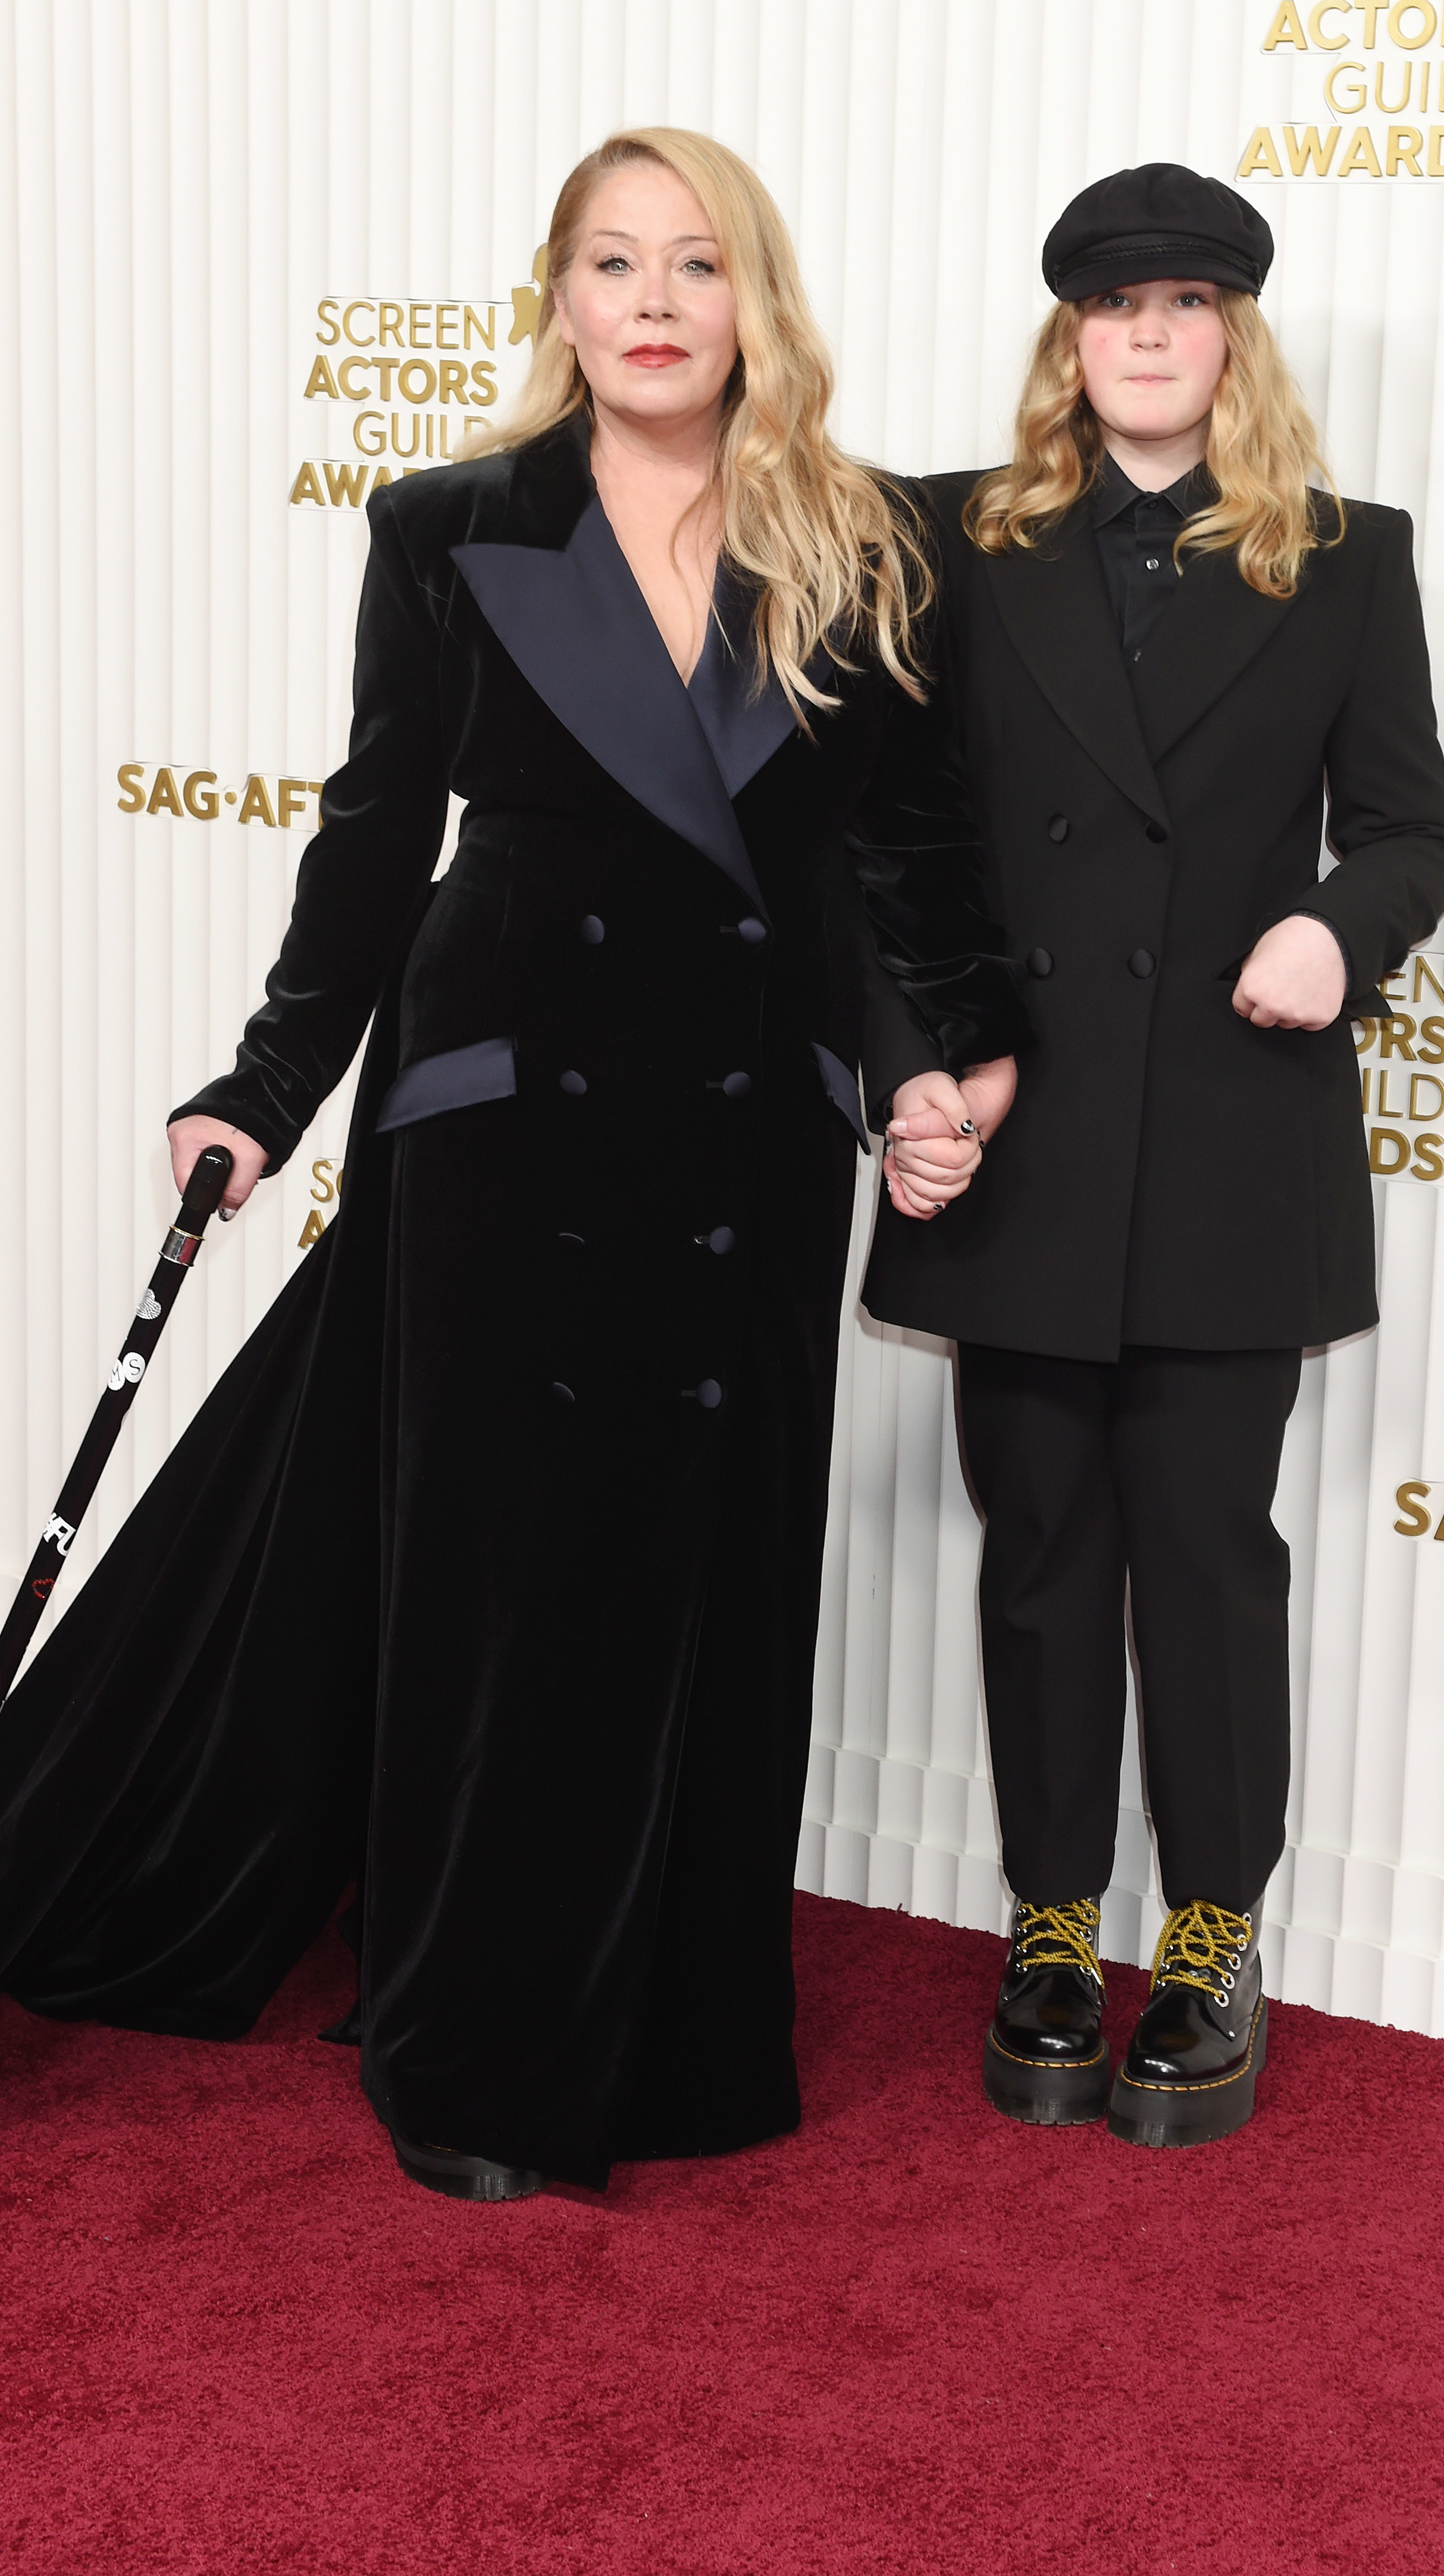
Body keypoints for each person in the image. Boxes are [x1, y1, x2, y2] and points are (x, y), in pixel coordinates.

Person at [0, 128, 1021, 2200]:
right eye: (612, 262)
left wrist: (966, 1064)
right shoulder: (451, 525)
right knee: (502, 1582)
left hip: (744, 1114)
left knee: (710, 1568)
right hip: (500, 1109)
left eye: (697, 262)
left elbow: (911, 849)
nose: (654, 301)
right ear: (556, 297)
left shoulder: (874, 532)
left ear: (758, 297)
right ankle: (470, 2037)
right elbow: (376, 832)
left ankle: (677, 2033)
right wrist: (266, 1087)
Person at [865, 164, 1444, 2150]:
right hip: (1024, 1130)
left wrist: (1338, 924)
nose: (1146, 333)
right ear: (1069, 338)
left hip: (1227, 1130)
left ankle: (1210, 1933)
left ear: (1234, 336)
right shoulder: (952, 543)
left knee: (1206, 1560)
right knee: (1041, 1555)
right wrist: (917, 1074)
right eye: (1112, 304)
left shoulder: (1346, 558)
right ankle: (1051, 1924)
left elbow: (1412, 831)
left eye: (1186, 301)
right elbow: (898, 849)